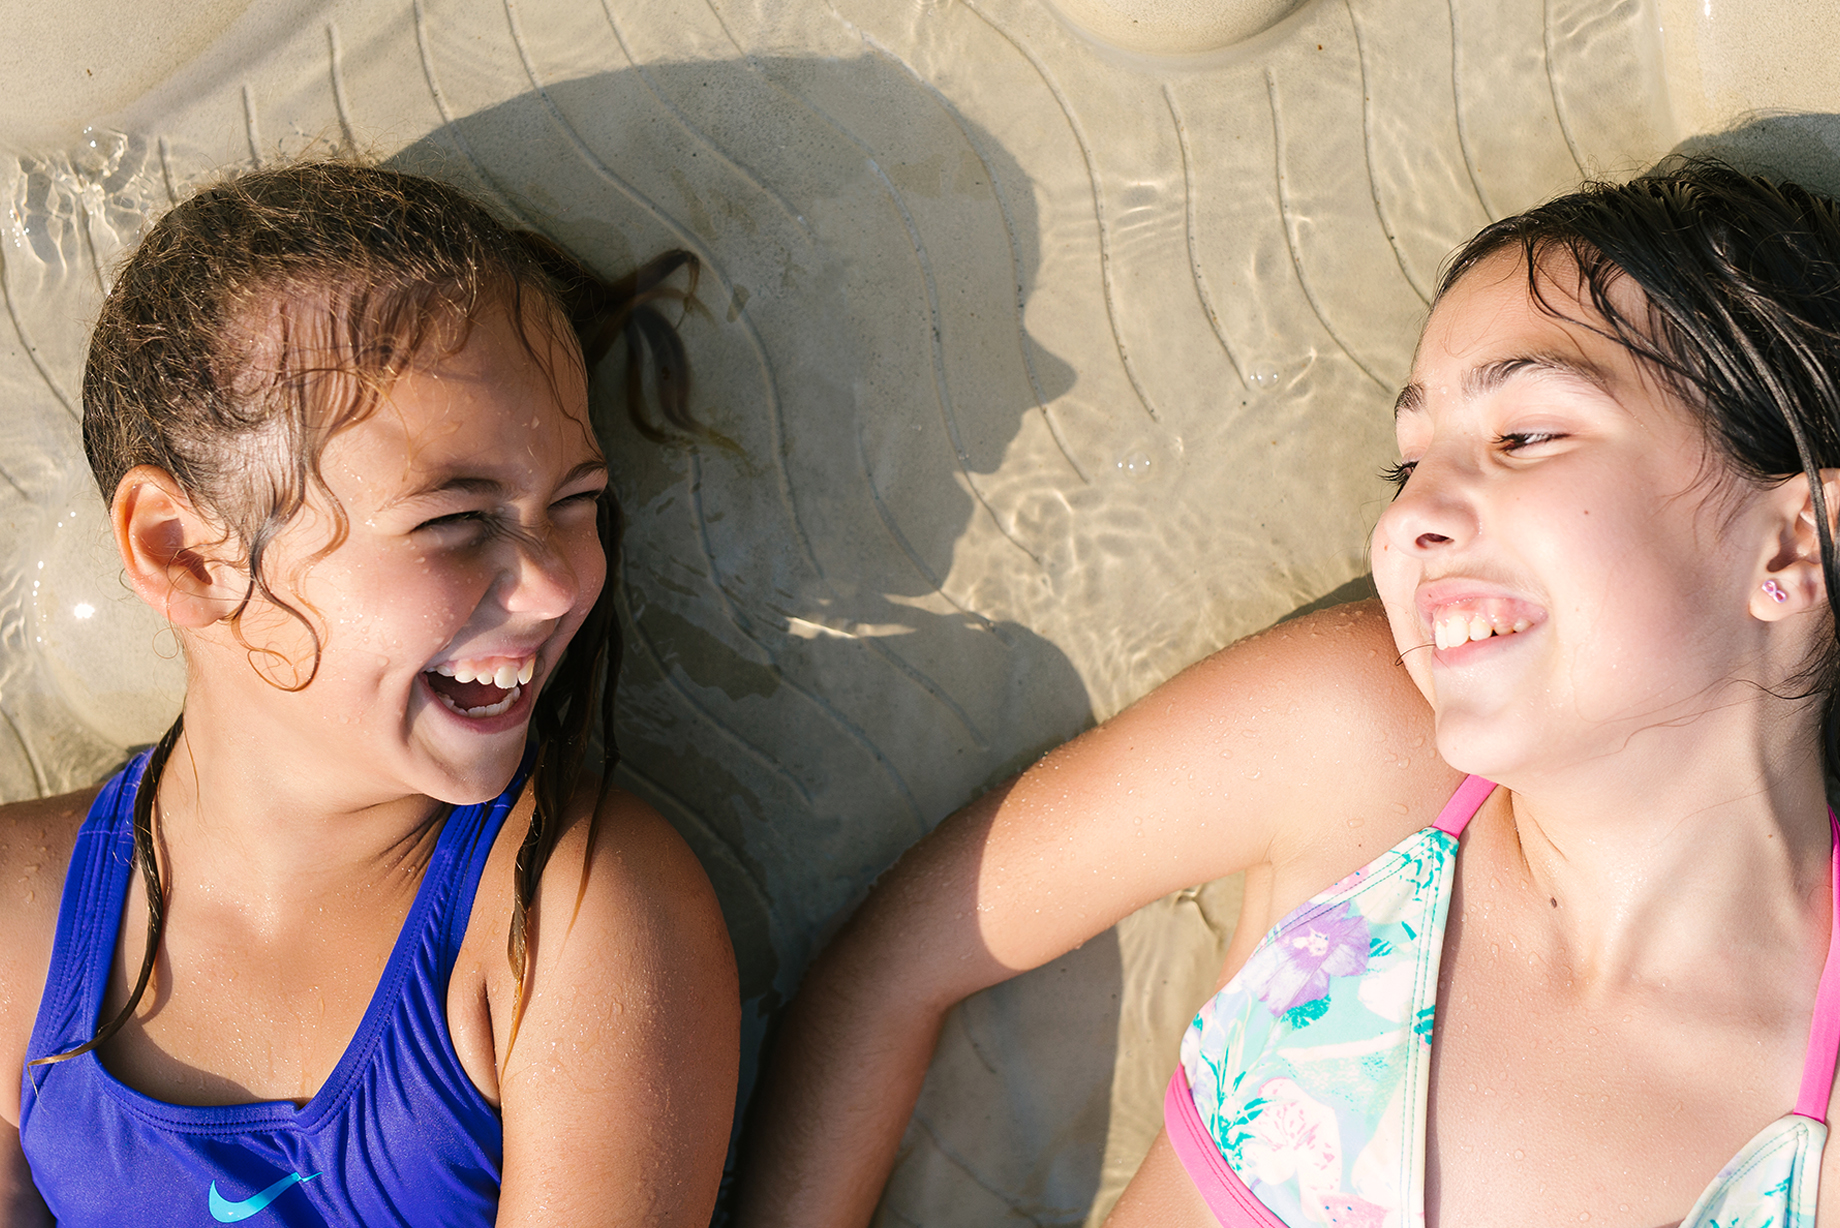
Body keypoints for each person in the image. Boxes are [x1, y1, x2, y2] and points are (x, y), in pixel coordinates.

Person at [736, 157, 1840, 1226]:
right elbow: (892, 967)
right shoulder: (1355, 747)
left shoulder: (1814, 1119)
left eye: (1524, 435)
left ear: (1796, 539)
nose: (1414, 515)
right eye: (1407, 463)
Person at [0, 161, 738, 1226]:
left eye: (576, 501)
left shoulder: (563, 926)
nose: (559, 580)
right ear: (185, 555)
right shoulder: (22, 923)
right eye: (455, 518)